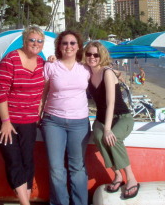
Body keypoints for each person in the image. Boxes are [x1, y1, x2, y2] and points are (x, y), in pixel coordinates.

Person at [0, 26, 46, 205]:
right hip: (5, 119)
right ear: (24, 41)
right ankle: (24, 203)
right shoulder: (11, 59)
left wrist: (39, 113)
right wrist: (5, 122)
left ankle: (24, 199)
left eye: (39, 41)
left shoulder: (43, 63)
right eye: (32, 40)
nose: (35, 43)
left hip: (28, 119)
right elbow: (0, 92)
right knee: (14, 159)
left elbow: (44, 90)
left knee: (28, 160)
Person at [84, 41, 140, 199]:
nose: (92, 57)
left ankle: (131, 178)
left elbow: (111, 103)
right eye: (89, 54)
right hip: (102, 118)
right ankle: (117, 175)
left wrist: (107, 129)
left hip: (122, 117)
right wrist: (52, 60)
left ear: (102, 55)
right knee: (98, 137)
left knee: (112, 139)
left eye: (96, 54)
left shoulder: (107, 72)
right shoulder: (87, 73)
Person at [40, 30, 91, 205]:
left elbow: (102, 79)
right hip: (53, 122)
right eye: (65, 43)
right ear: (59, 47)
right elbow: (42, 94)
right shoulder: (50, 66)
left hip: (80, 123)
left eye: (72, 43)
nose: (68, 46)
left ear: (78, 47)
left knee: (77, 167)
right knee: (56, 168)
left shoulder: (85, 68)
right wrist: (37, 116)